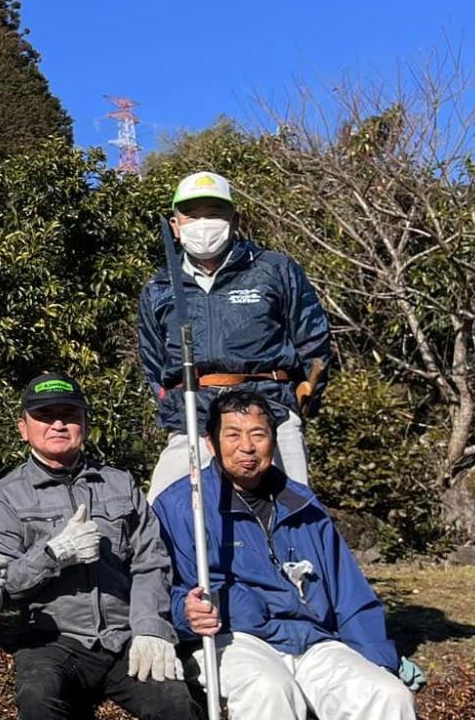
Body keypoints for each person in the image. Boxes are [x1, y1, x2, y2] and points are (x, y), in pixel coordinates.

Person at [158, 389, 465, 720]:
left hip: (311, 638)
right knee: (268, 688)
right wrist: (183, 613)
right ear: (211, 443)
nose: (247, 447)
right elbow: (157, 585)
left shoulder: (304, 506)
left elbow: (350, 594)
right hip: (238, 639)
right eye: (233, 435)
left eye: (259, 435)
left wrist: (384, 661)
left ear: (274, 444)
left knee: (384, 695)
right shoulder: (181, 504)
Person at [0, 372, 226, 720]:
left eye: (69, 415)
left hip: (121, 636)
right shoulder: (5, 495)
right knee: (35, 692)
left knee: (176, 703)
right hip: (52, 634)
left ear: (86, 424)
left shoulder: (120, 486)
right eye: (45, 417)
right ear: (24, 427)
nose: (58, 425)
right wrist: (52, 555)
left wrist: (151, 629)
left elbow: (151, 562)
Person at [138, 170, 333, 499]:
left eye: (214, 213)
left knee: (295, 513)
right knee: (163, 513)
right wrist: (170, 404)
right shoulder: (159, 287)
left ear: (234, 218)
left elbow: (313, 339)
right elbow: (153, 360)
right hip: (193, 420)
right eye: (192, 215)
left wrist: (304, 396)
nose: (203, 222)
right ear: (175, 225)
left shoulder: (274, 269)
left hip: (270, 416)